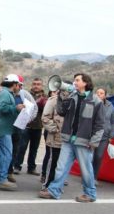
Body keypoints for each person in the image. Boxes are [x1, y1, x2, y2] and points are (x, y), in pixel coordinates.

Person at [38, 73, 104, 202]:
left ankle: (90, 194)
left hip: (84, 141)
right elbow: (62, 111)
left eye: (77, 80)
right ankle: (54, 191)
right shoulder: (72, 96)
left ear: (85, 83)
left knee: (86, 170)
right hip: (68, 139)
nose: (74, 82)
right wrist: (62, 97)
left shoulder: (95, 101)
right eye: (74, 80)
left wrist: (94, 141)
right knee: (61, 167)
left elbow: (100, 124)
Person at [0, 74, 24, 190]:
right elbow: (3, 107)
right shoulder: (5, 94)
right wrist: (16, 108)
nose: (19, 87)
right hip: (3, 129)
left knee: (0, 154)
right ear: (14, 84)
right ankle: (1, 179)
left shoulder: (6, 93)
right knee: (6, 155)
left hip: (3, 128)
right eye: (18, 84)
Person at [15, 78, 47, 176]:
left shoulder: (45, 97)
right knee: (22, 147)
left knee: (34, 149)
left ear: (42, 86)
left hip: (38, 126)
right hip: (26, 125)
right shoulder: (25, 95)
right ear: (31, 85)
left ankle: (31, 168)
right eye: (34, 84)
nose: (36, 86)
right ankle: (17, 166)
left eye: (38, 84)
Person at [41, 89, 64, 189]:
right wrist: (55, 129)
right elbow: (45, 118)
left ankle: (57, 185)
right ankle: (47, 184)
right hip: (55, 137)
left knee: (62, 164)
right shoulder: (53, 100)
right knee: (53, 162)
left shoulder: (74, 101)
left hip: (68, 139)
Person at [92, 87, 114, 181]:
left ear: (105, 95)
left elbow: (113, 121)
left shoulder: (110, 106)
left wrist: (111, 135)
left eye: (101, 93)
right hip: (92, 134)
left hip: (104, 136)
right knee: (89, 157)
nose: (99, 94)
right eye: (97, 92)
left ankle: (94, 177)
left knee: (98, 157)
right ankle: (87, 177)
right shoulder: (91, 103)